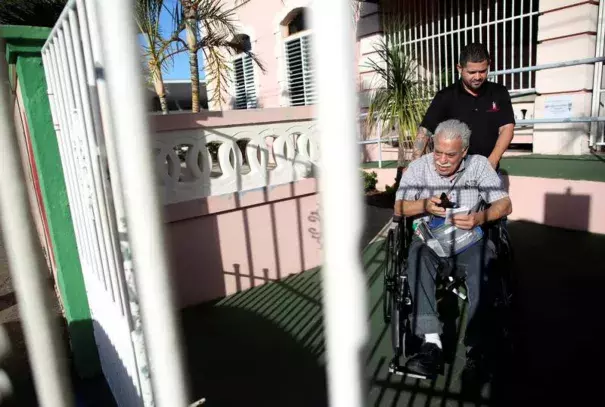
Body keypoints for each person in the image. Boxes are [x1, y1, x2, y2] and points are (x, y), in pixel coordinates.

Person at [395, 119, 512, 378]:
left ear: (464, 152)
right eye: (438, 152)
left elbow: (504, 205)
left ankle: (476, 348)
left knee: (485, 263)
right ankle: (431, 344)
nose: (443, 160)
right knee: (416, 255)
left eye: (451, 154)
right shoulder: (418, 168)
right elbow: (399, 207)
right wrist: (425, 204)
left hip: (468, 241)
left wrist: (479, 218)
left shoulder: (479, 165)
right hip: (431, 242)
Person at [411, 43, 516, 171]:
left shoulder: (499, 92)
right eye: (472, 72)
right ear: (460, 68)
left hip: (489, 169)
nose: (478, 77)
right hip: (454, 173)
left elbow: (507, 128)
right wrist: (413, 165)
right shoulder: (445, 96)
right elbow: (425, 131)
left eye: (482, 71)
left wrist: (492, 161)